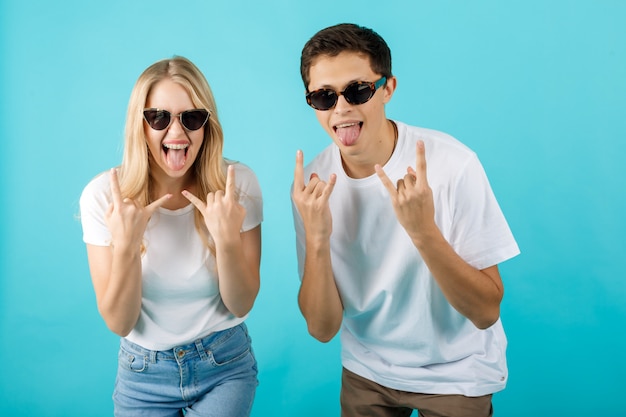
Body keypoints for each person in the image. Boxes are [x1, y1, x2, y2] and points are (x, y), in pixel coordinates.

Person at [291, 23, 520, 417]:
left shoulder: (452, 164)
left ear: (388, 89)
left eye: (358, 90)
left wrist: (422, 231)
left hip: (457, 374)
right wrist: (316, 236)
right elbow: (322, 329)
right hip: (366, 373)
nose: (341, 108)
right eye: (324, 97)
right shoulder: (312, 187)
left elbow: (486, 312)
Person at [79, 56, 262, 417]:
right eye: (159, 117)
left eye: (191, 117)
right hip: (143, 374)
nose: (176, 133)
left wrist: (226, 240)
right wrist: (128, 247)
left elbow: (241, 305)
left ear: (206, 125)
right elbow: (120, 322)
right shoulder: (104, 197)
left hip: (224, 365)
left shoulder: (237, 186)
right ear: (140, 126)